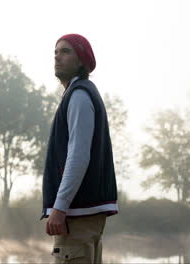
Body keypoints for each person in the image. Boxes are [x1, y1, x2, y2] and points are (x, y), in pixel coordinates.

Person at [42, 33, 118, 263]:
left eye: (66, 51)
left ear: (81, 60)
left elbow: (78, 155)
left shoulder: (79, 96)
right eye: (55, 52)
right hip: (82, 217)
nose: (57, 57)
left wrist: (59, 207)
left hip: (76, 218)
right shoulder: (80, 94)